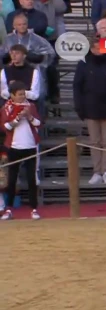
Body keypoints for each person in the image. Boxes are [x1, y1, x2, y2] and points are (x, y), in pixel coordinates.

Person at [73, 39, 106, 186]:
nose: (98, 51)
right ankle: (97, 172)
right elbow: (77, 87)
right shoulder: (83, 64)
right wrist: (79, 108)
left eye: (100, 48)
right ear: (91, 49)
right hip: (90, 109)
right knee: (94, 142)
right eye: (95, 48)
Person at [1, 81, 42, 221]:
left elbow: (39, 123)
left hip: (30, 146)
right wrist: (18, 117)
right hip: (14, 147)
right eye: (19, 94)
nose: (22, 96)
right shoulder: (7, 107)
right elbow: (6, 126)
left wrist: (29, 116)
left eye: (23, 94)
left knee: (31, 179)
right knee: (11, 180)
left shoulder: (31, 106)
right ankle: (9, 209)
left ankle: (34, 209)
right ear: (12, 95)